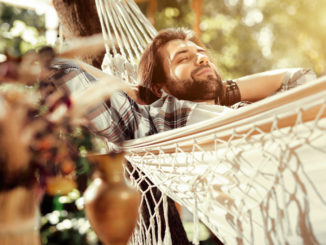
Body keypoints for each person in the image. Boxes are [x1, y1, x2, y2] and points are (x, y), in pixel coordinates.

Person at [49, 27, 314, 244]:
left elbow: (299, 80)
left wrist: (225, 91)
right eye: (182, 58)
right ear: (160, 87)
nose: (202, 58)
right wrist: (137, 92)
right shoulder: (159, 122)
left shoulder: (240, 112)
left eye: (202, 54)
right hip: (289, 218)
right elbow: (62, 71)